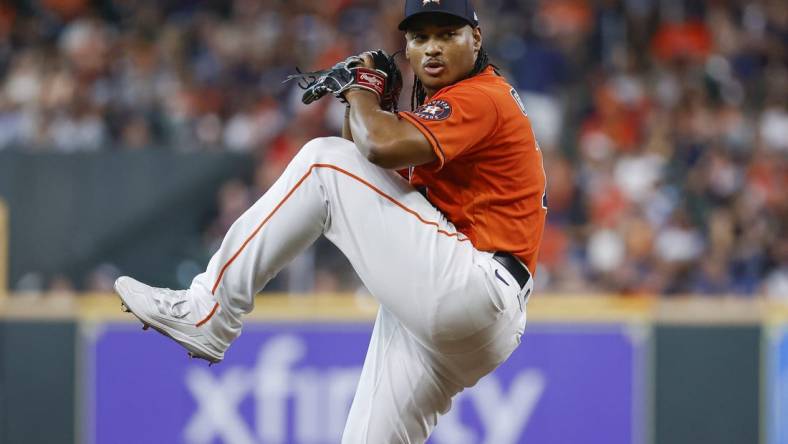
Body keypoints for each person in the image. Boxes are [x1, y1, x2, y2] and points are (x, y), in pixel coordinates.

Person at [114, 0, 547, 441]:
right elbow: (364, 161)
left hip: (473, 286)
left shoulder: (480, 96)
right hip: (469, 314)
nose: (432, 48)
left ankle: (211, 310)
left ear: (476, 38)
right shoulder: (444, 110)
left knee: (321, 162)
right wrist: (365, 95)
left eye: (447, 34)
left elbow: (370, 149)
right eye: (420, 38)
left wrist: (360, 90)